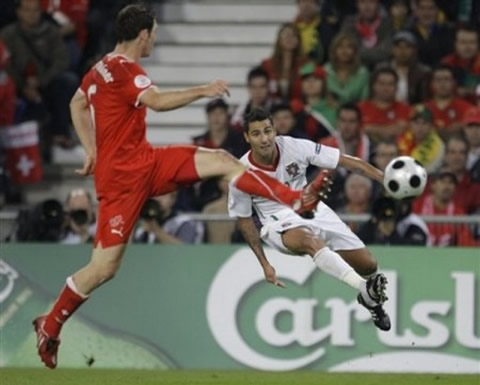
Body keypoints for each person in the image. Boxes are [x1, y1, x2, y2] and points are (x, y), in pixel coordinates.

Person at [32, 4, 327, 370]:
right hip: (123, 180)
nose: (155, 38)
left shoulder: (100, 68)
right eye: (154, 33)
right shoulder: (126, 71)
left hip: (143, 163)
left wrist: (92, 150)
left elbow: (77, 104)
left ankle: (293, 197)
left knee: (221, 161)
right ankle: (50, 324)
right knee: (104, 268)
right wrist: (204, 90)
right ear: (144, 35)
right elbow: (156, 102)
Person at [228, 107, 391, 334]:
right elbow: (244, 220)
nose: (264, 139)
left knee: (368, 264)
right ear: (247, 137)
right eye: (256, 134)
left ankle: (371, 300)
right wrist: (264, 263)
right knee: (310, 241)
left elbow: (345, 161)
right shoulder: (239, 174)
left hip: (312, 206)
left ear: (275, 130)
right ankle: (365, 288)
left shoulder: (295, 146)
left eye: (267, 131)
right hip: (276, 221)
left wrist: (384, 178)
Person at [358, 67, 411, 143]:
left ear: (396, 87)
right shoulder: (361, 109)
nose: (386, 88)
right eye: (381, 84)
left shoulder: (406, 109)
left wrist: (371, 128)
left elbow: (407, 132)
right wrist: (393, 128)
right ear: (373, 86)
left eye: (390, 84)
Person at [377, 30, 430, 104]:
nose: (402, 51)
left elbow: (425, 100)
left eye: (407, 47)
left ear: (414, 50)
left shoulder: (423, 72)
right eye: (399, 47)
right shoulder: (381, 69)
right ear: (393, 49)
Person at [340, 0, 394, 69]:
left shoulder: (387, 23)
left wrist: (357, 52)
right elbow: (345, 49)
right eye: (362, 2)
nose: (367, 7)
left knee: (384, 65)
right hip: (354, 65)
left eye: (371, 2)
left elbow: (386, 52)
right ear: (357, 5)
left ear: (378, 4)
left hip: (379, 66)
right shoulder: (349, 23)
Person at [134, 192, 204, 244]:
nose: (158, 199)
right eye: (154, 194)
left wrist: (156, 230)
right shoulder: (140, 222)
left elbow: (185, 250)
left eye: (163, 194)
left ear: (173, 199)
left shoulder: (184, 222)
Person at [260, 23, 307, 101]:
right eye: (286, 35)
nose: (289, 38)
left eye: (293, 35)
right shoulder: (267, 65)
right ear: (279, 40)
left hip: (299, 107)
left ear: (298, 40)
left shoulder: (306, 64)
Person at [425, 65, 474, 139]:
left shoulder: (467, 108)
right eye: (438, 80)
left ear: (454, 82)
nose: (442, 84)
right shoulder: (423, 108)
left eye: (446, 79)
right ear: (431, 83)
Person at [397, 104, 445, 173]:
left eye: (424, 123)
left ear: (430, 125)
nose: (420, 127)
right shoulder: (400, 141)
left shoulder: (439, 146)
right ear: (410, 124)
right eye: (416, 123)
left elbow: (431, 170)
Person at [324, 33, 370, 105]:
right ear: (334, 50)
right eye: (340, 47)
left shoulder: (363, 73)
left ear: (355, 51)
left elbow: (364, 101)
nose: (344, 51)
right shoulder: (325, 69)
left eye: (349, 47)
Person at [230, 66, 272, 133]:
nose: (258, 91)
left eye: (262, 86)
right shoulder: (239, 115)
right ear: (248, 88)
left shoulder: (277, 111)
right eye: (254, 87)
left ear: (268, 87)